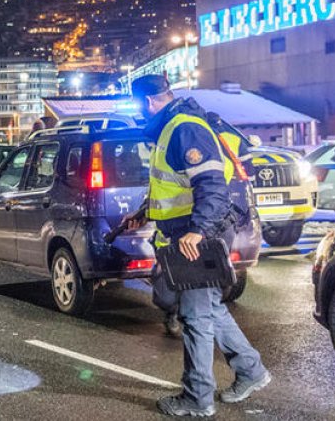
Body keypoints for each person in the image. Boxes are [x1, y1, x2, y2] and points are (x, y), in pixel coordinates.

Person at [133, 75, 269, 417]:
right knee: (207, 309)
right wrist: (144, 212)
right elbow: (172, 183)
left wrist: (198, 230)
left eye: (140, 107)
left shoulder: (185, 128)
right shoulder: (172, 128)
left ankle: (197, 398)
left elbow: (211, 184)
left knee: (195, 317)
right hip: (184, 236)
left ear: (149, 102)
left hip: (197, 238)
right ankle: (251, 370)